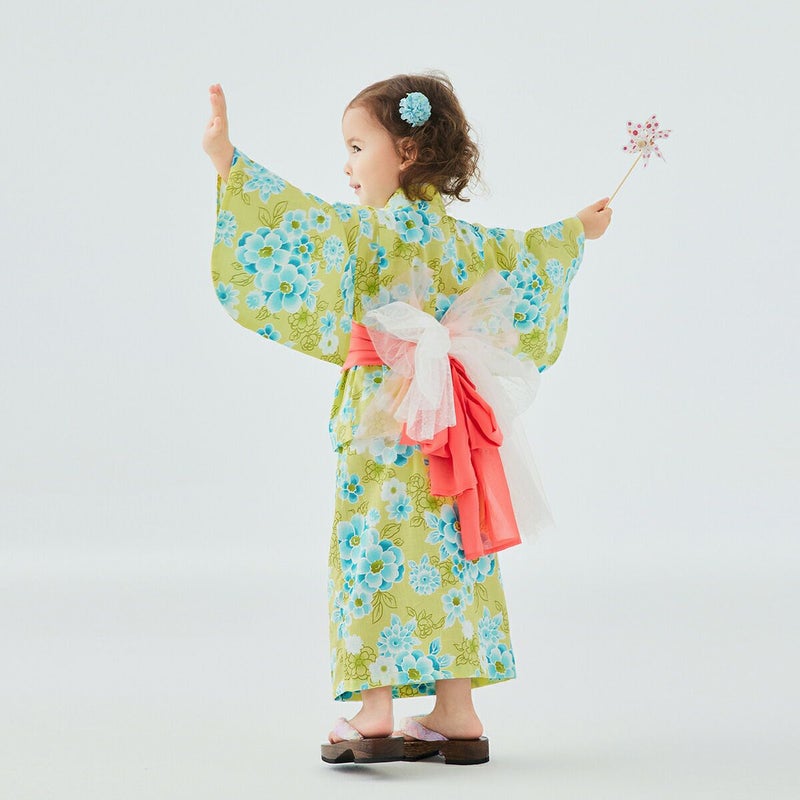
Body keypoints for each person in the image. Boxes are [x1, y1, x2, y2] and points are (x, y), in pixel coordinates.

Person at [203, 72, 612, 766]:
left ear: (408, 153)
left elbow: (298, 219)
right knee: (454, 549)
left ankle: (374, 713)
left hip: (383, 421)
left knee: (372, 546)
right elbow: (525, 253)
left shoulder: (366, 232)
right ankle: (457, 710)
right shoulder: (467, 243)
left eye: (356, 146)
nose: (346, 164)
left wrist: (227, 163)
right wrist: (577, 230)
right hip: (453, 421)